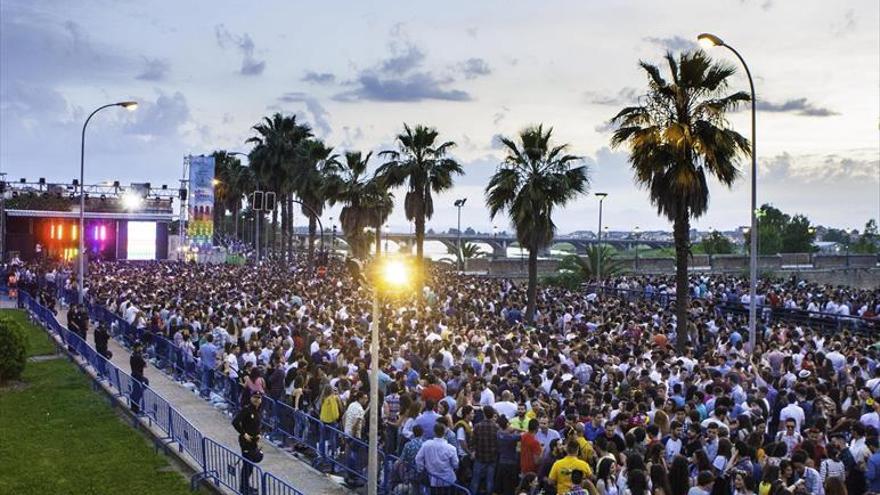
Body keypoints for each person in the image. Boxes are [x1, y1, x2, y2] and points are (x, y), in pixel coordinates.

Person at [232, 392, 264, 495]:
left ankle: (246, 486)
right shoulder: (246, 410)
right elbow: (235, 422)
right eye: (255, 397)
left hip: (254, 442)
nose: (257, 399)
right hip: (245, 442)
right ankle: (243, 489)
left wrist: (259, 434)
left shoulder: (258, 411)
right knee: (247, 466)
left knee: (250, 466)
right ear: (251, 398)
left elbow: (257, 425)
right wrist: (244, 433)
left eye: (259, 398)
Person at [416, 423, 460, 494]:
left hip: (433, 480)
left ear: (434, 432)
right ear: (444, 432)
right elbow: (455, 464)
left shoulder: (426, 445)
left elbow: (418, 459)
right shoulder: (451, 448)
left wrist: (421, 469)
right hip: (448, 480)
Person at [470, 406, 500, 495]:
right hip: (492, 458)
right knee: (490, 480)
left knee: (475, 480)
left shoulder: (477, 426)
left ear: (484, 414)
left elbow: (472, 442)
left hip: (479, 457)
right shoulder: (496, 427)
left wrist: (473, 451)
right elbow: (498, 443)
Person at [129, 341, 148, 414]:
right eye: (140, 347)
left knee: (135, 391)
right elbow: (145, 365)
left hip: (134, 374)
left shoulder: (132, 355)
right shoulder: (138, 356)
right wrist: (143, 357)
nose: (141, 348)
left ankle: (134, 407)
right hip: (138, 375)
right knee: (137, 392)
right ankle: (135, 409)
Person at [199, 334, 218, 398]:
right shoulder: (214, 347)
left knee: (204, 378)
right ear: (212, 339)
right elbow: (216, 356)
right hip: (211, 366)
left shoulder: (202, 346)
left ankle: (202, 392)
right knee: (209, 381)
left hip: (204, 364)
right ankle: (206, 393)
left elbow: (199, 354)